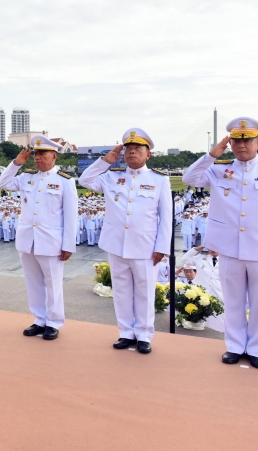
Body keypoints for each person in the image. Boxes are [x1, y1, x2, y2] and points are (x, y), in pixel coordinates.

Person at [183, 117, 258, 369]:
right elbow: (190, 177)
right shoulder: (218, 168)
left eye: (247, 140)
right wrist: (212, 154)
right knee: (232, 300)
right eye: (236, 140)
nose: (242, 145)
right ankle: (234, 346)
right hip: (229, 247)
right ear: (229, 142)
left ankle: (256, 349)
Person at [80, 128, 172, 354]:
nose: (132, 153)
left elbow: (166, 217)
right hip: (116, 244)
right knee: (121, 290)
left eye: (137, 149)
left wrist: (162, 247)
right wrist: (105, 161)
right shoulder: (111, 176)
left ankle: (144, 334)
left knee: (145, 291)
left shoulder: (159, 180)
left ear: (148, 154)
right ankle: (125, 332)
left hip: (145, 246)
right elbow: (85, 179)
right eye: (128, 149)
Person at [0, 134, 78, 341]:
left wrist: (68, 244)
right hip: (28, 239)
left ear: (54, 156)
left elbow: (70, 216)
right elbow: (3, 183)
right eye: (35, 154)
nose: (37, 158)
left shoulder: (65, 181)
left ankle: (54, 322)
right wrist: (16, 163)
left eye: (42, 154)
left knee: (53, 283)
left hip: (51, 242)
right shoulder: (26, 177)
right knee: (33, 282)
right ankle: (39, 319)